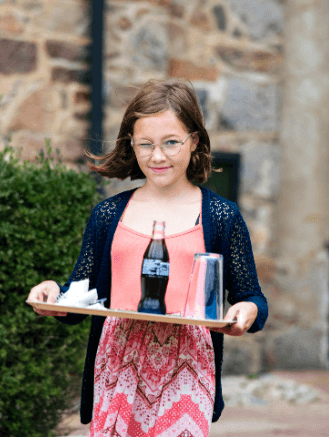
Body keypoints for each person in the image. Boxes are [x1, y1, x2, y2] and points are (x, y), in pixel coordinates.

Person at [27, 79, 268, 437]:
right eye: (145, 144)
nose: (157, 156)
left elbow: (253, 298)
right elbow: (80, 293)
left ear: (195, 141)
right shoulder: (108, 215)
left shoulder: (221, 216)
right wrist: (53, 295)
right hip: (116, 362)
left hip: (188, 365)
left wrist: (246, 312)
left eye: (171, 142)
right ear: (132, 144)